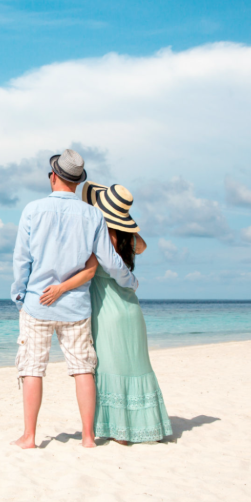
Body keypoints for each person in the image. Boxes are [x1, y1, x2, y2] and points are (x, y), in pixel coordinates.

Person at [10, 149, 139, 449]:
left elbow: (22, 260)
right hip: (77, 306)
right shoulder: (93, 214)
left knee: (32, 368)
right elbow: (108, 260)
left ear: (53, 176)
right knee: (83, 368)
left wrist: (19, 296)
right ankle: (88, 437)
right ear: (78, 182)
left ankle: (29, 437)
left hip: (37, 303)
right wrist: (130, 282)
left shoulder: (32, 209)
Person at [53, 182, 172, 444]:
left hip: (107, 310)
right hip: (131, 308)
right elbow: (142, 245)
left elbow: (84, 267)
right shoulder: (129, 240)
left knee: (110, 366)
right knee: (136, 366)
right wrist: (125, 222)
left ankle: (120, 432)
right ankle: (145, 427)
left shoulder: (98, 239)